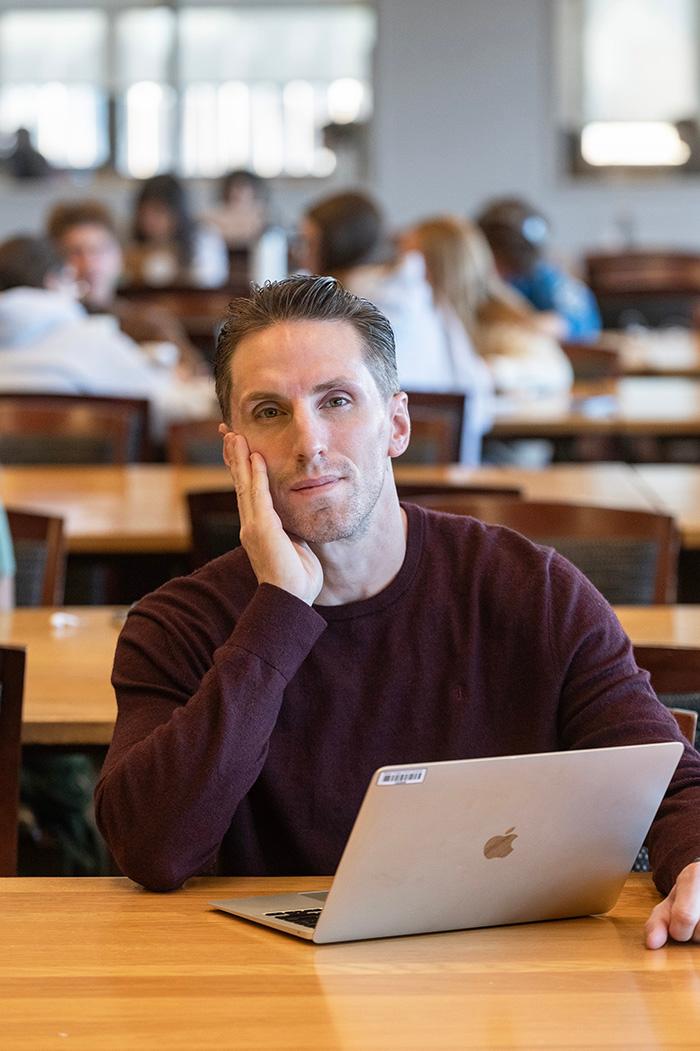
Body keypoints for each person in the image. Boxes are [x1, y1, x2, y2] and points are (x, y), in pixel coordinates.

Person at [95, 274, 700, 949]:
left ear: (399, 423)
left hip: (504, 987)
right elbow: (153, 849)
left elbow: (667, 774)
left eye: (338, 400)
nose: (310, 440)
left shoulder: (534, 590)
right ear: (233, 447)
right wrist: (279, 611)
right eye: (269, 411)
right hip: (276, 991)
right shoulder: (176, 624)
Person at [299, 192, 493, 462]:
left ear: (336, 245)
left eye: (308, 243)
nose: (301, 256)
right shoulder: (421, 294)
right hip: (443, 465)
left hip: (371, 461)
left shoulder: (339, 310)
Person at [0, 235, 215, 439]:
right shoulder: (89, 337)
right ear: (53, 281)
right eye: (70, 277)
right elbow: (166, 406)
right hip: (90, 475)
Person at [404, 215, 573, 398]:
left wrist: (483, 372)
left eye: (411, 262)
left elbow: (554, 372)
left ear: (445, 270)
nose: (398, 271)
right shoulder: (407, 315)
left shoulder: (496, 317)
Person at [46, 201, 207, 375]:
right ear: (55, 263)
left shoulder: (149, 323)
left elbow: (197, 377)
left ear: (119, 257)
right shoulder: (47, 329)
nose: (89, 264)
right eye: (75, 253)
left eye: (99, 250)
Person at [476, 197, 602, 343]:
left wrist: (531, 327)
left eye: (514, 266)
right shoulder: (469, 281)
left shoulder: (539, 275)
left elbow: (579, 320)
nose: (505, 272)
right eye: (502, 260)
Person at [124, 174, 229, 289]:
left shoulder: (204, 238)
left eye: (158, 212)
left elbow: (208, 281)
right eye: (144, 213)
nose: (149, 221)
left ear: (178, 212)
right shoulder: (134, 245)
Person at [204, 169, 271, 251]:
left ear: (253, 191)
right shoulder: (215, 212)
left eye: (244, 188)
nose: (239, 193)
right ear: (228, 191)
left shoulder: (262, 213)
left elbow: (256, 231)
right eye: (235, 188)